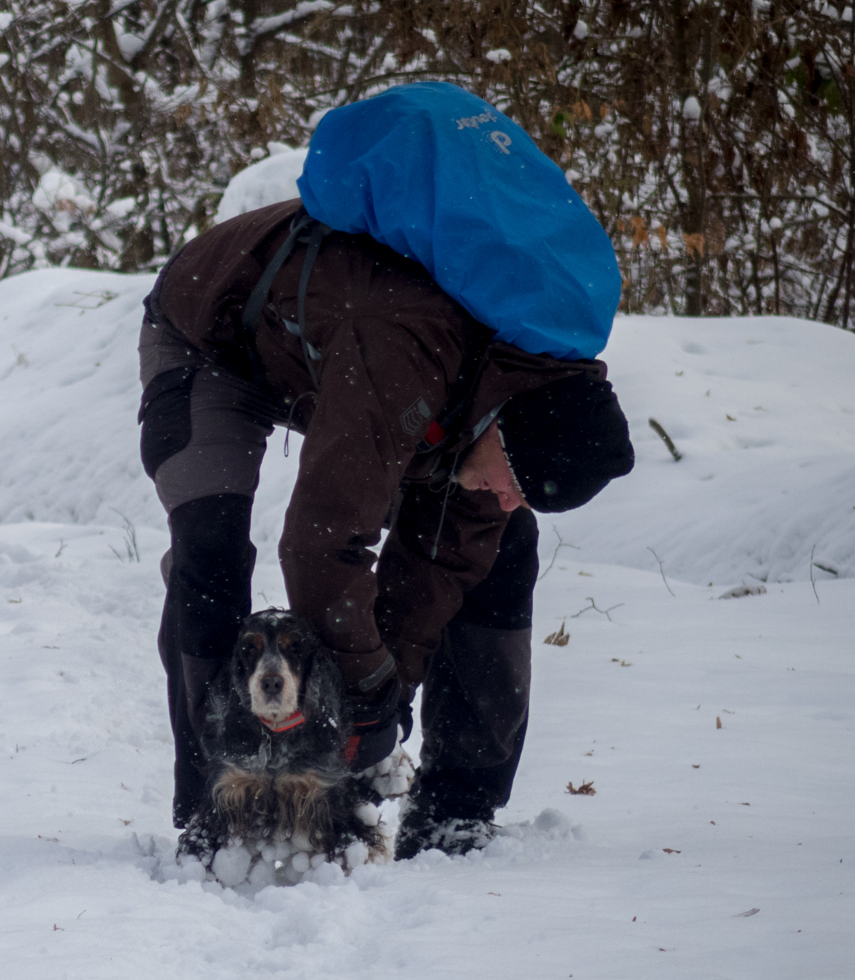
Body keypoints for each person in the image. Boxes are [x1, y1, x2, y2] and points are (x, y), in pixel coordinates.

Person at [139, 195, 634, 860]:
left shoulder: (513, 400)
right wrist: (363, 684)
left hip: (339, 363)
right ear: (504, 433)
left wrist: (382, 691)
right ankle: (214, 806)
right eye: (517, 483)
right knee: (212, 547)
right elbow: (321, 538)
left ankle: (458, 810)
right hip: (210, 334)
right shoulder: (408, 350)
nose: (509, 497)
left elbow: (439, 558)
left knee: (496, 546)